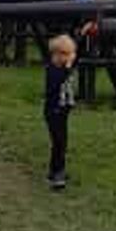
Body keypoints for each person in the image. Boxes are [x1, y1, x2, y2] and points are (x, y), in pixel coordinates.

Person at [43, 34, 77, 190]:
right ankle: (57, 172)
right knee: (59, 142)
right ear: (56, 54)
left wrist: (83, 34)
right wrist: (67, 69)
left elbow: (79, 51)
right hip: (54, 111)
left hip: (63, 111)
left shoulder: (64, 67)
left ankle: (54, 169)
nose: (69, 58)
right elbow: (55, 85)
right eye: (66, 54)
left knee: (62, 141)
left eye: (70, 54)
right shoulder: (53, 69)